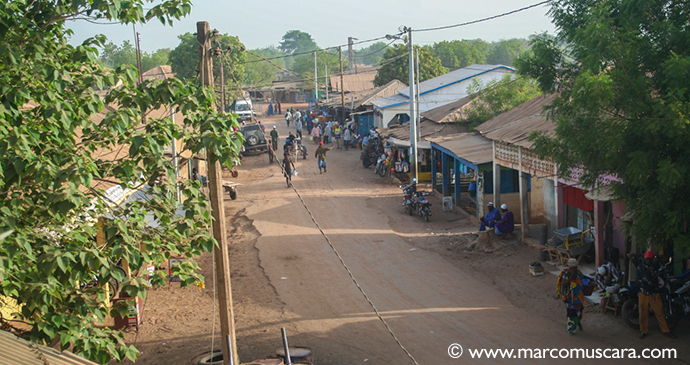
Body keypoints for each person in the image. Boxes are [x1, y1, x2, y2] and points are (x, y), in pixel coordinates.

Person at [634, 251, 676, 339]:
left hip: (653, 294)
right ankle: (643, 331)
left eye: (649, 259)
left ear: (652, 259)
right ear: (645, 258)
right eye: (647, 259)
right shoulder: (640, 264)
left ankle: (666, 331)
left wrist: (655, 256)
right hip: (643, 294)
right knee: (643, 314)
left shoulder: (655, 265)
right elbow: (629, 255)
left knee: (659, 313)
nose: (648, 260)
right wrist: (642, 254)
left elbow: (664, 258)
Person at [557, 258, 585, 335]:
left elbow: (583, 279)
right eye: (573, 268)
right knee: (571, 313)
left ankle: (578, 323)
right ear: (570, 267)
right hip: (569, 298)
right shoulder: (565, 273)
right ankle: (571, 329)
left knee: (579, 311)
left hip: (578, 297)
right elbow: (563, 284)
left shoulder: (578, 272)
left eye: (576, 267)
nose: (575, 269)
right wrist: (571, 277)